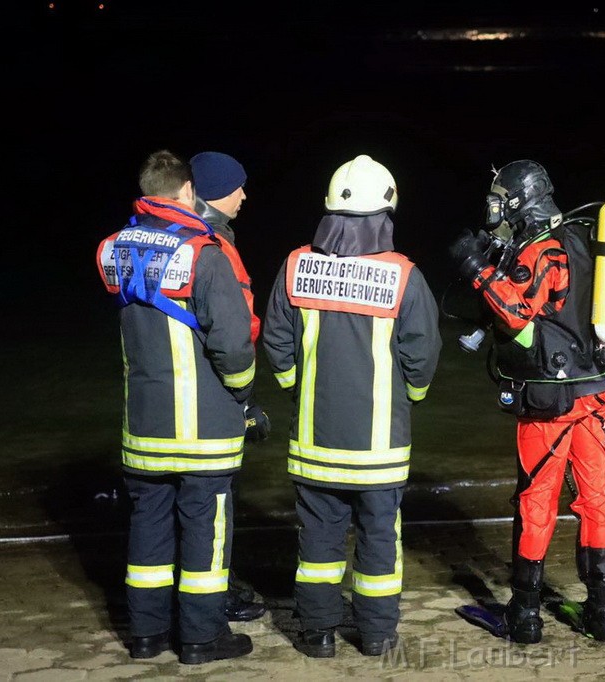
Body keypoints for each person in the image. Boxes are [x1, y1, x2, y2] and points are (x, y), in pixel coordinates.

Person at [262, 154, 441, 658]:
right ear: (385, 212)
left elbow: (275, 339)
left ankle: (317, 636)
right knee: (379, 543)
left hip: (314, 443)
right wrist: (411, 399)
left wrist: (298, 389)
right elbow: (422, 355)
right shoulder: (404, 276)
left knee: (317, 543)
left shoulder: (297, 264)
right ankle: (377, 635)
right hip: (379, 450)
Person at [448, 160, 605, 642]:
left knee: (537, 501)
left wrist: (476, 268)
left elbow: (516, 313)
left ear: (519, 201)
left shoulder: (542, 250)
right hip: (596, 392)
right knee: (595, 498)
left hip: (550, 401)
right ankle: (603, 613)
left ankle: (523, 614)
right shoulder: (584, 237)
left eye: (500, 200)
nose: (496, 209)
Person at [95, 150, 256, 664]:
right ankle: (202, 640)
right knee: (205, 539)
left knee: (148, 532)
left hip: (142, 425)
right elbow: (233, 347)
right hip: (202, 428)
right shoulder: (204, 256)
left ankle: (146, 637)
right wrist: (243, 395)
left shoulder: (113, 249)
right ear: (187, 191)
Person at [190, 150, 269, 623]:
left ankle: (200, 594)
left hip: (180, 392)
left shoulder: (197, 240)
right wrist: (244, 399)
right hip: (213, 393)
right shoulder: (212, 248)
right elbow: (233, 333)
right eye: (237, 186)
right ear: (216, 191)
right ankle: (214, 598)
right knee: (213, 505)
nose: (244, 194)